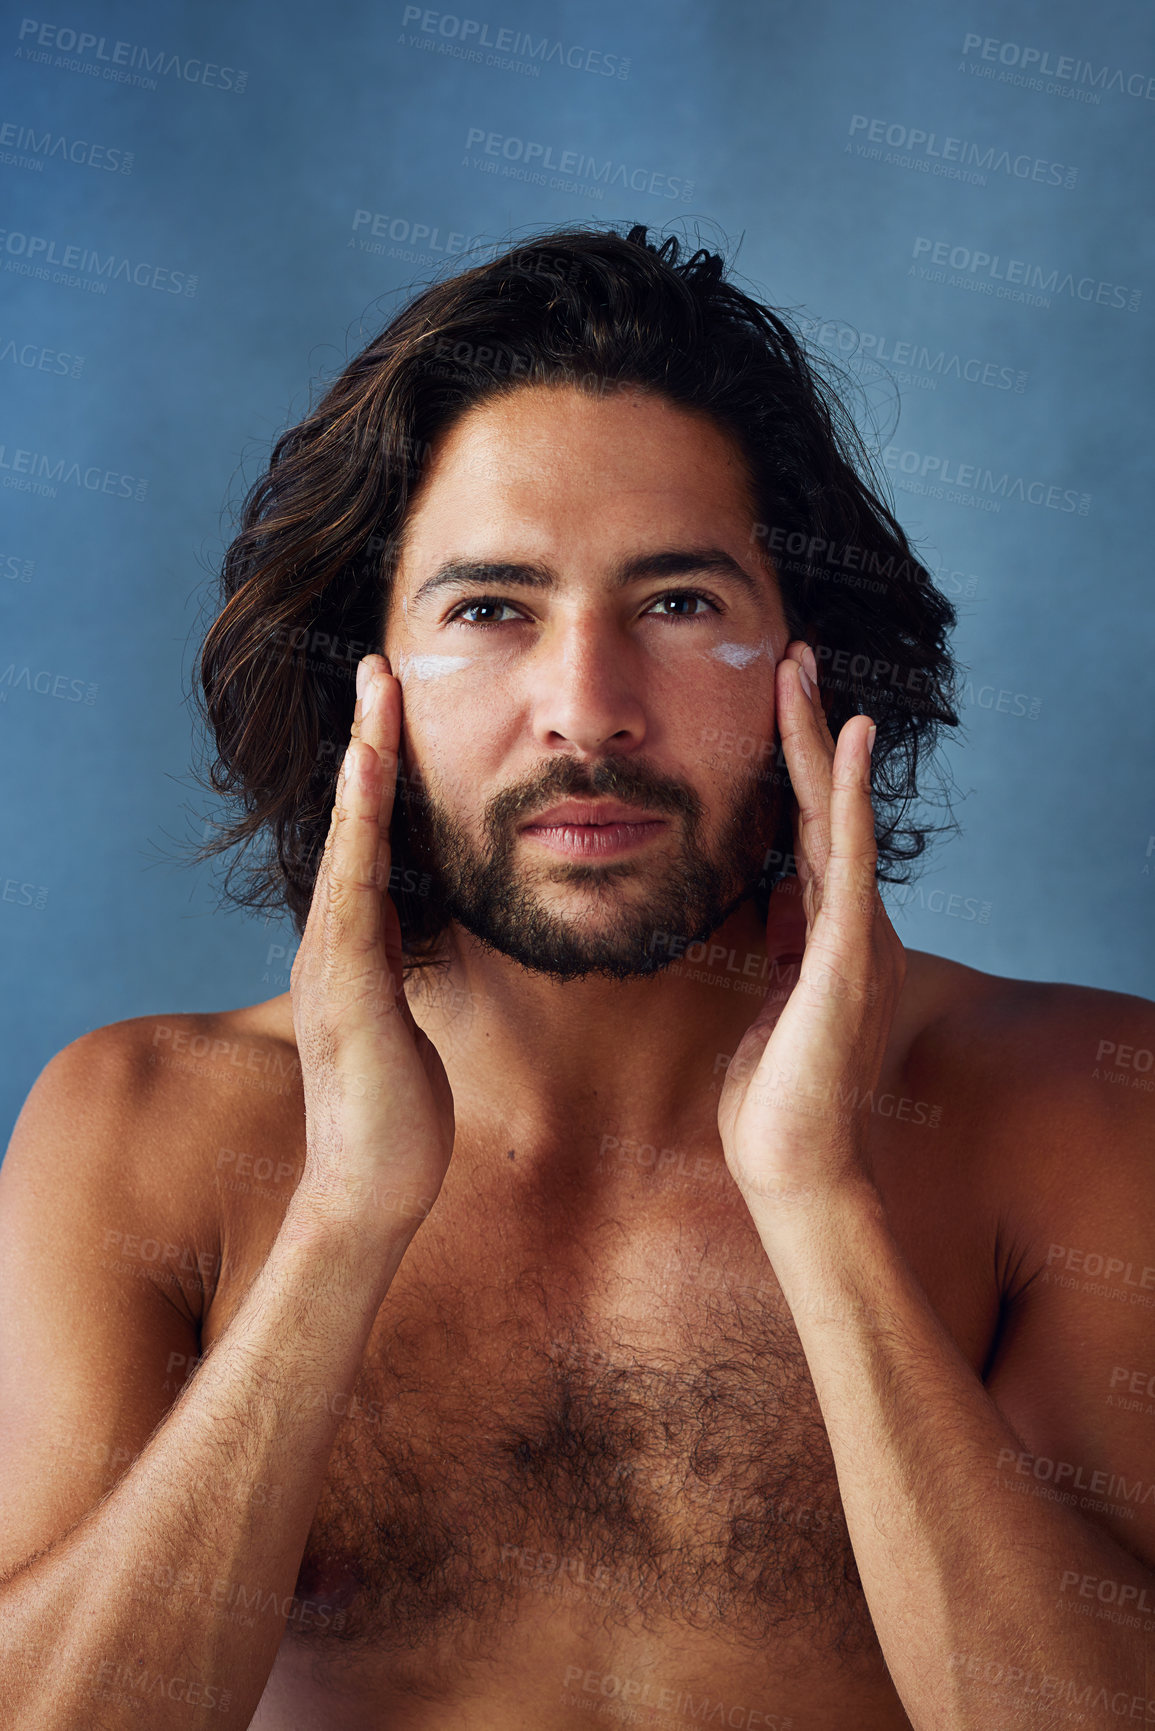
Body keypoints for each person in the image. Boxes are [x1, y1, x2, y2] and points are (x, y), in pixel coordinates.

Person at [2, 223, 1152, 1731]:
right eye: (490, 610)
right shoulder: (143, 1125)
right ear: (368, 680)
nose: (586, 712)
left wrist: (818, 1200)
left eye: (678, 604)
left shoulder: (1074, 1111)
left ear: (817, 665)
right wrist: (343, 1220)